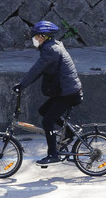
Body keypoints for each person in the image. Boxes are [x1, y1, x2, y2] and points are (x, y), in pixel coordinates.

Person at [13, 20, 83, 165]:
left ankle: (53, 155)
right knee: (43, 110)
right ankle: (69, 131)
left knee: (47, 121)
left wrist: (21, 85)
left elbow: (37, 69)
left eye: (37, 37)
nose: (35, 40)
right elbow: (40, 70)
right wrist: (22, 85)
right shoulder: (52, 47)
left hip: (68, 93)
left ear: (44, 37)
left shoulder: (51, 50)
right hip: (66, 91)